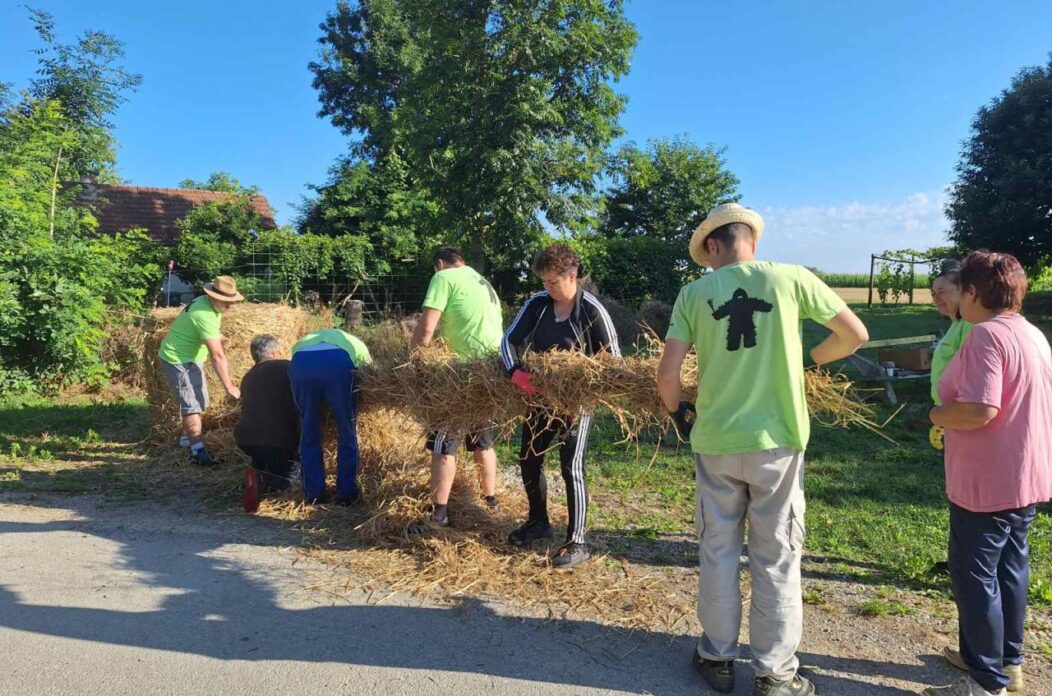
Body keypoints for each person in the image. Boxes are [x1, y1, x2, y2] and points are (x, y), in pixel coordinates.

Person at [656, 203, 868, 696]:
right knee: (777, 556)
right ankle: (775, 673)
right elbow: (855, 335)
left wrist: (678, 412)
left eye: (706, 255)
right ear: (751, 240)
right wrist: (814, 358)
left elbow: (667, 374)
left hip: (716, 442)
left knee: (718, 549)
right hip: (779, 443)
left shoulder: (694, 293)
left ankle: (716, 656)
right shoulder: (792, 279)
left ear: (714, 245)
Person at [925, 251, 1051, 696]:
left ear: (974, 292)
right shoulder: (1031, 333)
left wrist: (934, 415)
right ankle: (1007, 663)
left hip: (986, 481)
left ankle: (984, 683)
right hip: (1025, 474)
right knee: (1010, 570)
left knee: (974, 577)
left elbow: (980, 409)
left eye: (961, 290)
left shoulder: (984, 336)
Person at [500, 243, 621, 570]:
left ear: (572, 276)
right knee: (528, 459)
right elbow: (508, 341)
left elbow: (615, 361)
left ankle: (576, 540)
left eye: (553, 281)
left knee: (572, 467)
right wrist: (516, 372)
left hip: (575, 403)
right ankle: (538, 522)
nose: (547, 287)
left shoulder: (592, 310)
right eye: (544, 281)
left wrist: (587, 380)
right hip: (540, 399)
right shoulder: (537, 304)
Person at [409, 246, 505, 529]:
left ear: (440, 263)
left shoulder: (443, 277)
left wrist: (412, 361)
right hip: (491, 369)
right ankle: (490, 500)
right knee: (482, 439)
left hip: (461, 374)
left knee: (443, 443)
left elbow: (427, 328)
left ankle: (438, 514)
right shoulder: (481, 280)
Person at [158, 275, 244, 466]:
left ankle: (185, 440)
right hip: (176, 359)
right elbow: (217, 356)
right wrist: (229, 386)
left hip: (192, 358)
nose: (231, 306)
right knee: (192, 407)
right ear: (213, 296)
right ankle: (197, 452)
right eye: (226, 301)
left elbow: (203, 330)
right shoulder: (203, 314)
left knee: (201, 402)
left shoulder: (207, 304)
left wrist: (217, 336)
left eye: (233, 301)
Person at [289, 328, 372, 505]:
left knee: (308, 429)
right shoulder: (355, 343)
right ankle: (346, 493)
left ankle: (314, 493)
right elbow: (368, 375)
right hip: (338, 364)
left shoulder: (303, 341)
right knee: (347, 428)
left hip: (301, 362)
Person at [235, 334, 299, 513]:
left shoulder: (248, 376)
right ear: (276, 351)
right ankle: (264, 480)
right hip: (278, 440)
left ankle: (256, 474)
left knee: (265, 456)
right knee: (292, 479)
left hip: (246, 439)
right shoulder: (287, 367)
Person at [928, 259, 973, 450]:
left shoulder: (970, 325)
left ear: (963, 291)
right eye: (933, 293)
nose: (936, 298)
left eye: (942, 292)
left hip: (960, 414)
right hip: (947, 413)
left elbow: (971, 374)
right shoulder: (956, 324)